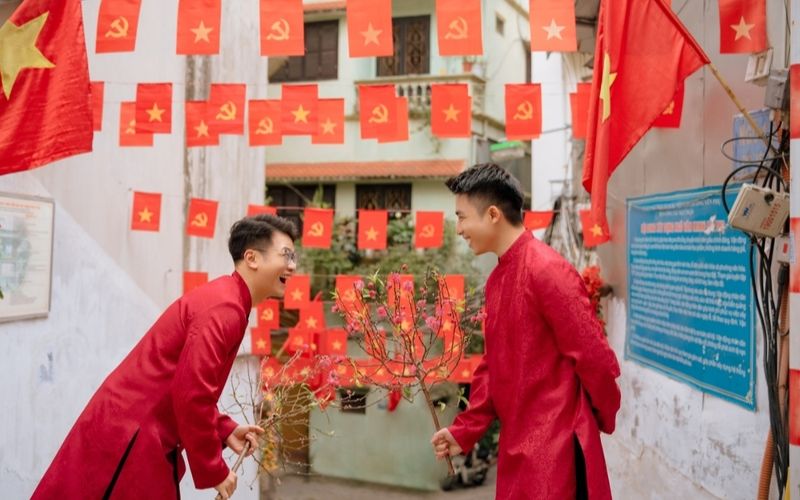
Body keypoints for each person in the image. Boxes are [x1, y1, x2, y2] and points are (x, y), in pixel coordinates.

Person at [33, 214, 299, 500]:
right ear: (252, 258)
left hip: (137, 430)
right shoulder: (224, 307)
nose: (293, 266)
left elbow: (184, 386)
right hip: (132, 437)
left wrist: (223, 428)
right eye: (286, 255)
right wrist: (214, 469)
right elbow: (192, 394)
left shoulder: (228, 300)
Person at [431, 164, 621, 499]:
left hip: (558, 453)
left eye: (461, 217)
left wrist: (596, 419)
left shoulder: (548, 270)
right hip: (518, 448)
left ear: (492, 214)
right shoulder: (497, 280)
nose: (458, 228)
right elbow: (493, 366)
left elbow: (596, 359)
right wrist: (463, 431)